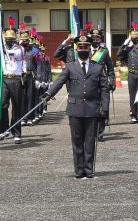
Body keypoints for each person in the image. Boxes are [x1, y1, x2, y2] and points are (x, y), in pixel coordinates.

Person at [44, 34, 110, 179]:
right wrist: (48, 94)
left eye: (86, 47)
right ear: (76, 48)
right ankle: (79, 171)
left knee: (90, 141)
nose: (83, 49)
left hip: (93, 109)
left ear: (90, 48)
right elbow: (59, 82)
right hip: (75, 109)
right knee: (77, 141)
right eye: (80, 47)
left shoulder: (98, 68)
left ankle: (89, 170)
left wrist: (105, 109)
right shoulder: (70, 66)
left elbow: (104, 90)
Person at [0, 18, 26, 144]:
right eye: (7, 40)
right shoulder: (1, 48)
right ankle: (4, 130)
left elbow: (14, 55)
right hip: (5, 79)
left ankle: (16, 133)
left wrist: (4, 49)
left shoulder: (19, 49)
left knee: (16, 107)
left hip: (15, 80)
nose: (9, 41)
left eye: (11, 39)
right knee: (3, 105)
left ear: (15, 39)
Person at [117, 22, 138, 123]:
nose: (134, 39)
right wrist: (125, 43)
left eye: (135, 37)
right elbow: (119, 54)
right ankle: (134, 115)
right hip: (131, 74)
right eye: (132, 37)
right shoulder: (128, 49)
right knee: (132, 95)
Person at [90, 27, 115, 142]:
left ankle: (100, 133)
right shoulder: (84, 49)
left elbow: (110, 68)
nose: (95, 39)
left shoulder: (104, 51)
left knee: (103, 108)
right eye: (93, 37)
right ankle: (91, 131)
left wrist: (112, 80)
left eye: (98, 37)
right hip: (89, 83)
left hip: (102, 82)